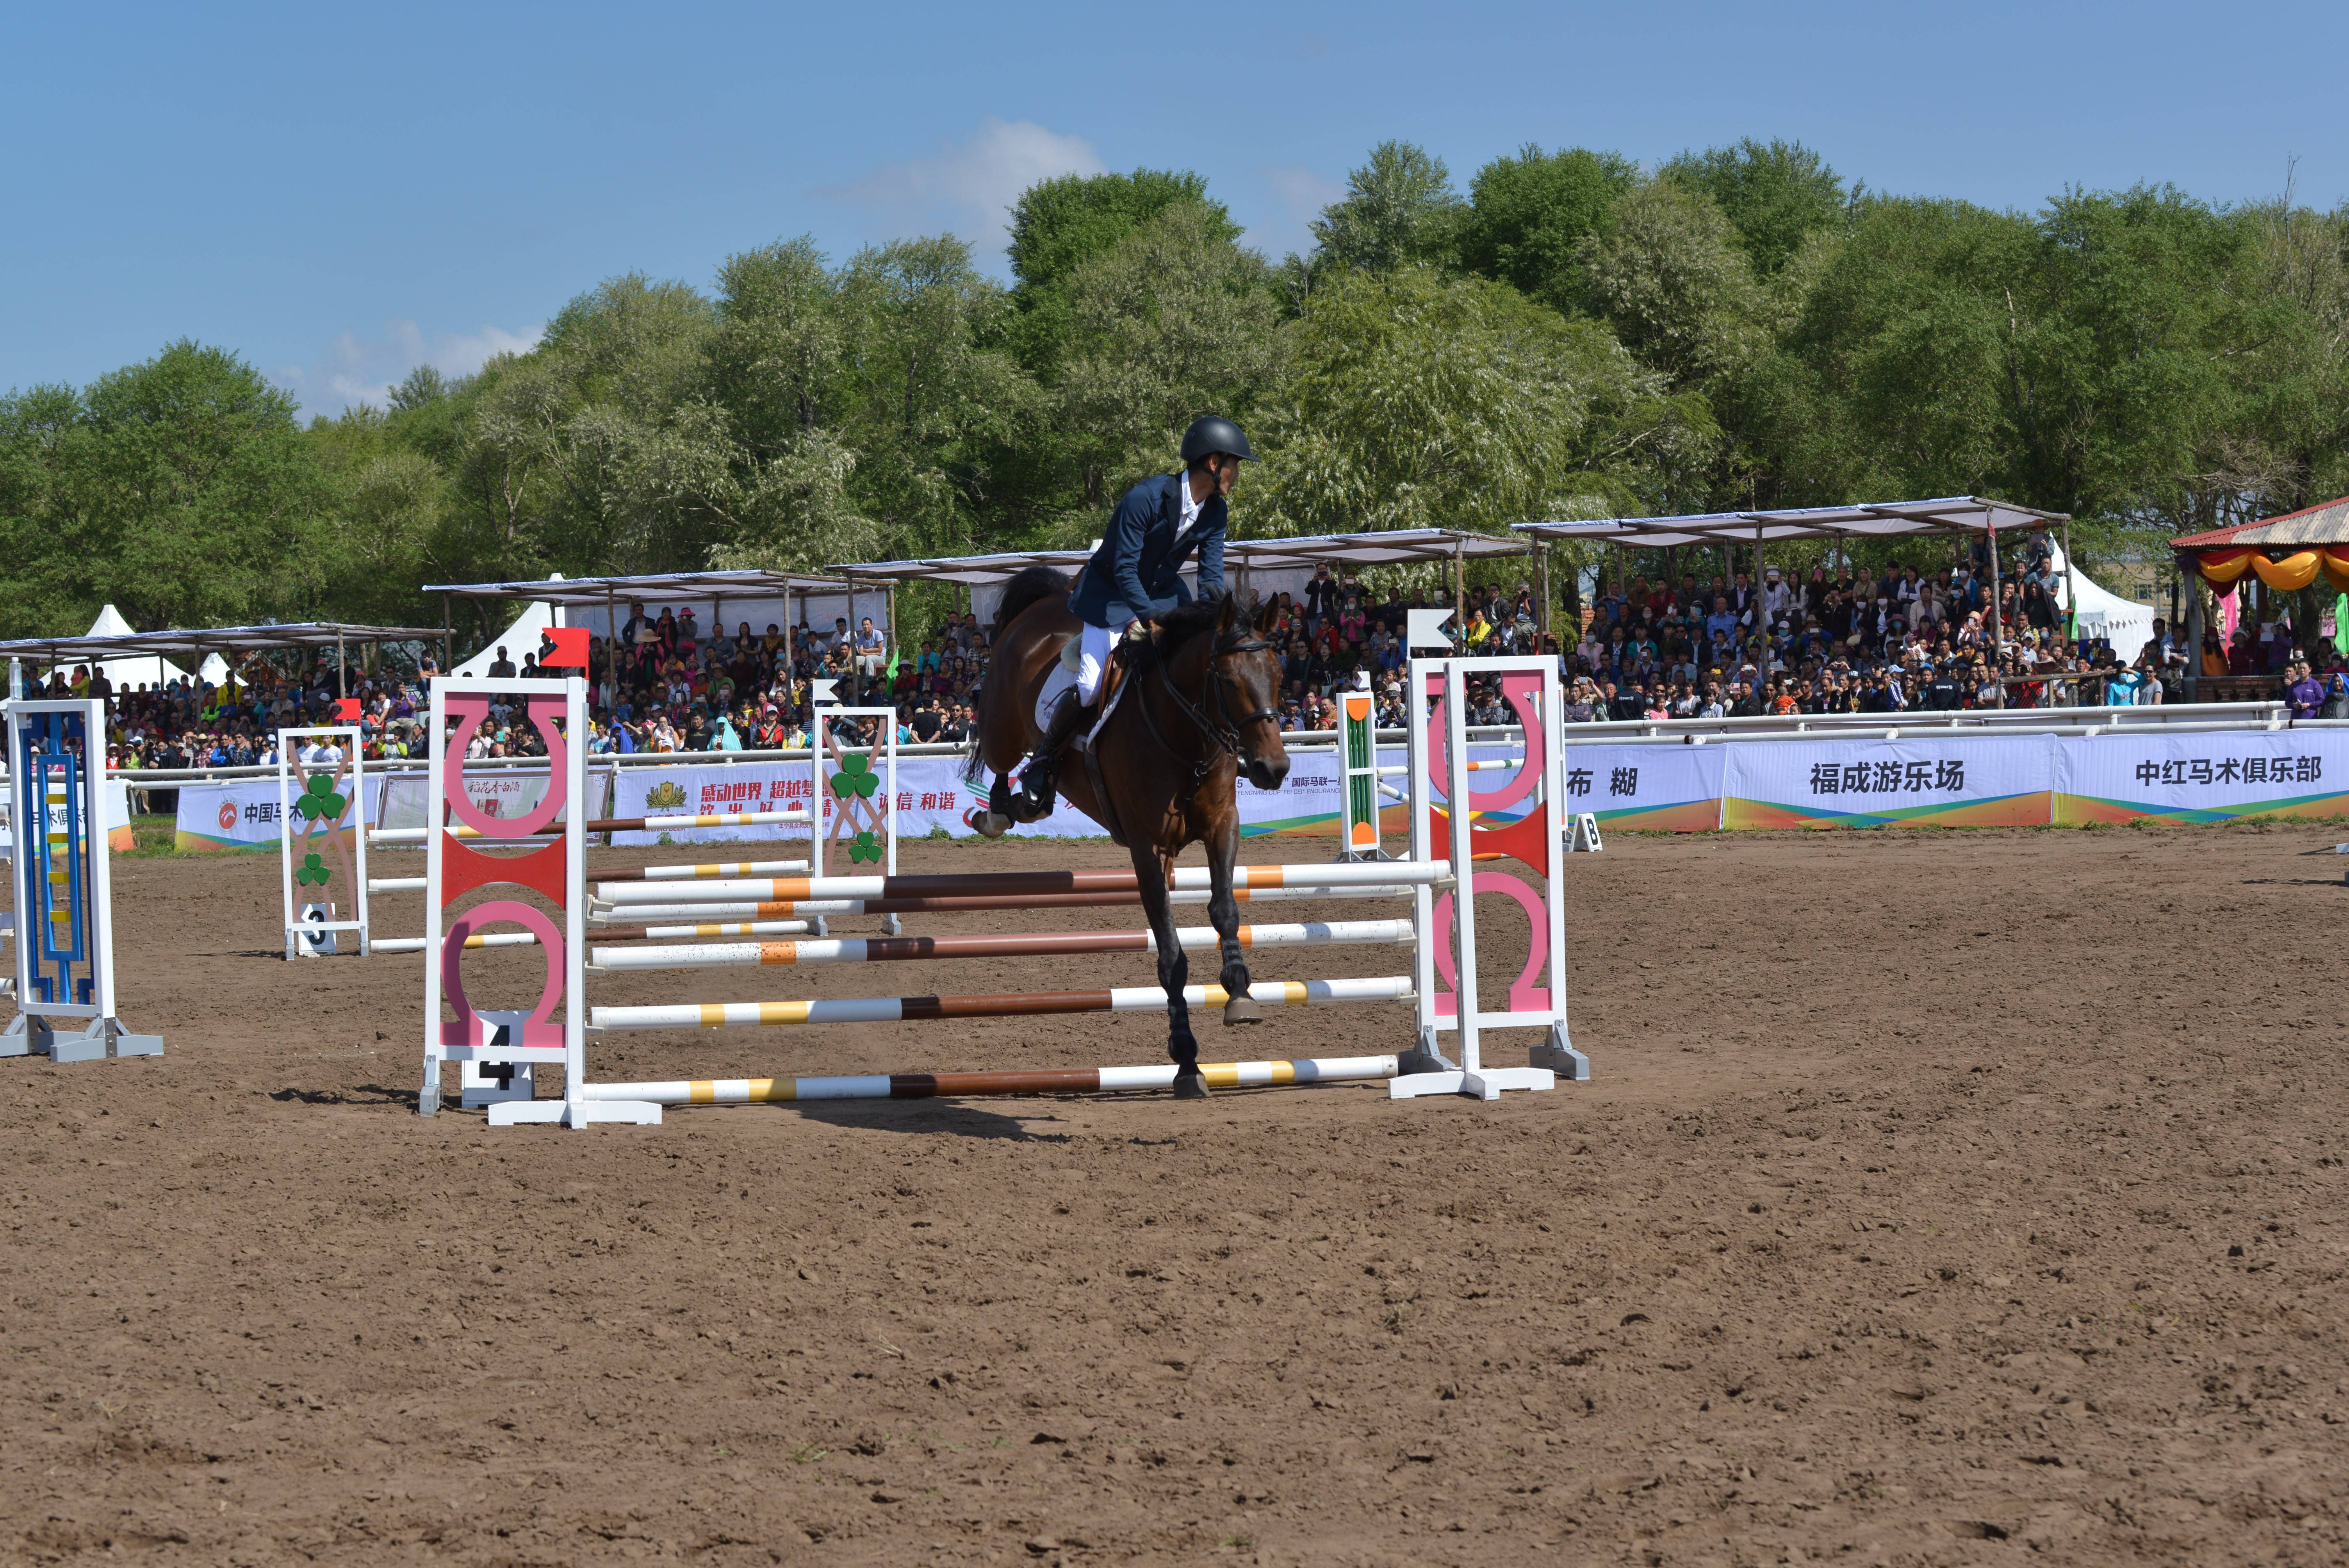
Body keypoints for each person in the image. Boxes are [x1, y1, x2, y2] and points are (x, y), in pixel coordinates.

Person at [1015, 414, 1252, 814]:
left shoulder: (1215, 512)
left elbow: (1211, 577)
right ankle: (1043, 761)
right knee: (1091, 687)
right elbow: (1124, 568)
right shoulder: (1145, 497)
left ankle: (1229, 744)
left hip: (1161, 594)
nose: (1237, 474)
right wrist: (1148, 619)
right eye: (1235, 464)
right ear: (1214, 463)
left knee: (1196, 664)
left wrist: (1219, 620)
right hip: (1109, 595)